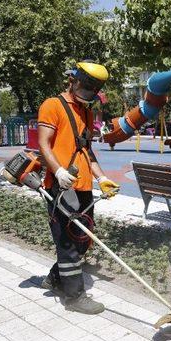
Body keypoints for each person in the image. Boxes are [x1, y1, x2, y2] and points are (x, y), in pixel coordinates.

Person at [37, 61, 120, 314]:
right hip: (61, 187)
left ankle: (55, 278)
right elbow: (44, 144)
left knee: (83, 240)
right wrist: (58, 171)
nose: (87, 96)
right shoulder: (52, 106)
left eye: (91, 93)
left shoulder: (85, 111)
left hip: (83, 187)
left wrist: (101, 178)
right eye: (84, 89)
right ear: (72, 80)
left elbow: (86, 150)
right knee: (68, 243)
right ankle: (74, 298)